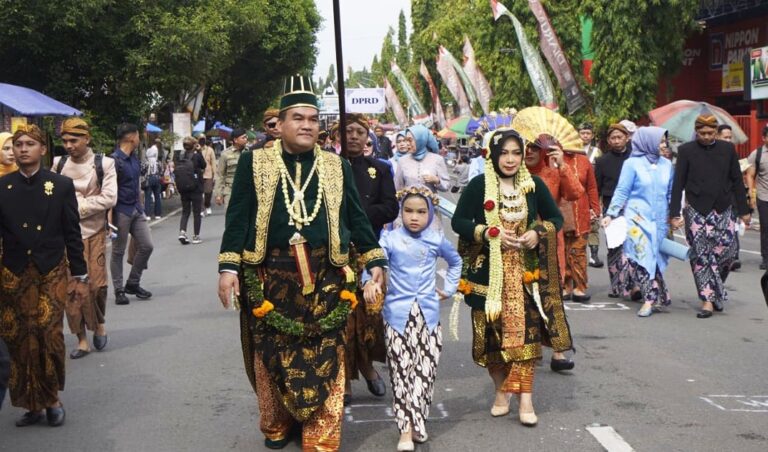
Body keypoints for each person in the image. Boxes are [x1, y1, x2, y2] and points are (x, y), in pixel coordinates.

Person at [216, 75, 387, 451]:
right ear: (280, 124)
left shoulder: (334, 166)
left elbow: (356, 217)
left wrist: (374, 257)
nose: (307, 125)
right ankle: (277, 421)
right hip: (269, 274)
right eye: (298, 118)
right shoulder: (254, 162)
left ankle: (322, 434)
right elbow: (239, 217)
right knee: (272, 355)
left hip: (326, 274)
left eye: (313, 118)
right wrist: (228, 268)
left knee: (327, 353)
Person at [451, 128, 573, 427]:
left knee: (527, 336)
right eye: (504, 152)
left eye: (516, 153)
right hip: (487, 277)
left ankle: (526, 399)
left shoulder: (533, 185)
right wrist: (488, 232)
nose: (510, 159)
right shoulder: (479, 185)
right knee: (491, 341)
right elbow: (458, 222)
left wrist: (537, 232)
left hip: (526, 276)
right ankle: (501, 391)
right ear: (493, 154)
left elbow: (555, 218)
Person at [0, 124, 87, 427]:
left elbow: (72, 232)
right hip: (13, 272)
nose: (23, 149)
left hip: (50, 269)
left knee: (49, 336)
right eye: (18, 144)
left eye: (29, 144)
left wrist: (80, 275)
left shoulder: (60, 185)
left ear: (42, 149)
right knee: (18, 338)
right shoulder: (3, 185)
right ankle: (30, 404)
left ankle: (51, 399)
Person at [363, 186, 461, 451]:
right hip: (396, 317)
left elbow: (455, 262)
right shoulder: (389, 239)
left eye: (421, 211)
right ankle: (405, 429)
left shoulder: (436, 238)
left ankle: (417, 420)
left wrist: (449, 289)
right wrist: (369, 284)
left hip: (429, 317)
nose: (414, 217)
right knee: (401, 372)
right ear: (400, 212)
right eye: (408, 211)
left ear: (430, 213)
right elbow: (371, 265)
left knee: (425, 372)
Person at [341, 114, 399, 405]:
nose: (353, 136)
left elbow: (390, 208)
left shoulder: (380, 169)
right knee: (343, 320)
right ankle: (347, 379)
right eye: (347, 130)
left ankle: (367, 366)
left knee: (369, 317)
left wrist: (360, 219)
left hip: (369, 253)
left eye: (359, 132)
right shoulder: (326, 168)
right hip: (335, 256)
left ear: (368, 137)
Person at [670, 115, 750, 318]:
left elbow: (736, 181)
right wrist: (674, 213)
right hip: (696, 209)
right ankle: (707, 300)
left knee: (728, 252)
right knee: (701, 255)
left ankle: (714, 290)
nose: (706, 137)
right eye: (702, 133)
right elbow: (678, 184)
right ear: (696, 132)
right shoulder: (686, 151)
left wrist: (744, 210)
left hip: (723, 207)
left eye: (710, 133)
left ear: (715, 132)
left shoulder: (727, 149)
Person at [54, 117, 117, 358]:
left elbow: (109, 198)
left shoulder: (105, 163)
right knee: (72, 289)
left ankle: (99, 323)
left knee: (97, 286)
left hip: (95, 234)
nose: (69, 145)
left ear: (87, 138)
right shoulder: (58, 164)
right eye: (65, 140)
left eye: (74, 140)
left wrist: (75, 207)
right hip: (66, 237)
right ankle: (81, 339)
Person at [602, 127, 674, 317]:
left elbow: (671, 193)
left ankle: (659, 294)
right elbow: (622, 190)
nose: (663, 145)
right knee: (641, 259)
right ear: (648, 142)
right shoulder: (632, 164)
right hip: (637, 221)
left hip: (660, 221)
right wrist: (611, 213)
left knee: (655, 259)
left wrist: (675, 215)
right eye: (660, 141)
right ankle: (649, 299)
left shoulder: (667, 165)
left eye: (664, 142)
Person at [523, 134, 584, 293]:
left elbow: (575, 193)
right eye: (525, 146)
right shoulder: (511, 174)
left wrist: (562, 165)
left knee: (549, 295)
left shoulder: (553, 173)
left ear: (544, 151)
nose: (529, 151)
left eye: (535, 147)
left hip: (548, 239)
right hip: (519, 239)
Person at [110, 123, 154, 305]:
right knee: (118, 251)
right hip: (120, 210)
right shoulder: (113, 161)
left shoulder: (134, 159)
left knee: (147, 246)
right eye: (137, 135)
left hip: (136, 208)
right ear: (130, 138)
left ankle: (133, 282)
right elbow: (108, 189)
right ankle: (119, 289)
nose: (139, 139)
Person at [595, 123, 636, 299]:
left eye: (620, 137)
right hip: (611, 208)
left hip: (633, 206)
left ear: (627, 137)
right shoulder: (602, 161)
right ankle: (616, 285)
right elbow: (596, 187)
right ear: (608, 141)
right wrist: (596, 209)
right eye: (613, 138)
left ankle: (634, 285)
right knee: (614, 247)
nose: (617, 141)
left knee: (633, 246)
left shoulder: (635, 159)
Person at [395, 124, 450, 195]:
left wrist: (437, 181)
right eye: (406, 140)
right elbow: (397, 187)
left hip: (430, 204)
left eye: (410, 140)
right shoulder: (402, 161)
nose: (407, 144)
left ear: (420, 140)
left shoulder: (437, 159)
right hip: (409, 204)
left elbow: (446, 186)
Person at [579, 122, 604, 268]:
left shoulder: (597, 152)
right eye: (583, 133)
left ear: (592, 135)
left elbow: (599, 174)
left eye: (588, 133)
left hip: (592, 191)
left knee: (594, 223)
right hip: (576, 193)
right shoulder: (572, 150)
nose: (585, 136)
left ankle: (594, 256)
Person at [175, 137, 206, 245]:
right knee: (197, 212)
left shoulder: (179, 156)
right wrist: (200, 151)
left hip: (183, 187)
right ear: (194, 145)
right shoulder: (197, 156)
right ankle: (196, 236)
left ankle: (182, 232)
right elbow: (204, 165)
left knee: (185, 211)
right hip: (196, 187)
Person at [746, 125, 768, 269]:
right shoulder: (758, 154)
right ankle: (766, 258)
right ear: (764, 138)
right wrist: (751, 194)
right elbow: (750, 174)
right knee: (766, 229)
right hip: (764, 197)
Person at [214, 128, 247, 207]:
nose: (246, 139)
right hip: (230, 191)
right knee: (230, 217)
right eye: (243, 137)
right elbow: (220, 175)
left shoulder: (249, 152)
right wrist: (218, 194)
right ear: (235, 140)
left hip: (246, 191)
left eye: (246, 137)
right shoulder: (225, 154)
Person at [143, 139, 164, 220]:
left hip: (148, 179)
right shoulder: (158, 162)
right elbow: (161, 171)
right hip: (157, 179)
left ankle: (148, 214)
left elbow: (142, 171)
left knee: (148, 197)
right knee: (157, 196)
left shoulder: (146, 162)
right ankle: (157, 214)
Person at [198, 133, 217, 216]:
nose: (202, 140)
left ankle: (207, 205)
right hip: (198, 174)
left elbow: (213, 162)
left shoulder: (210, 150)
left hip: (208, 173)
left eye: (203, 138)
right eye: (200, 138)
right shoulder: (195, 149)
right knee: (199, 193)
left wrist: (215, 174)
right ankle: (201, 209)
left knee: (208, 192)